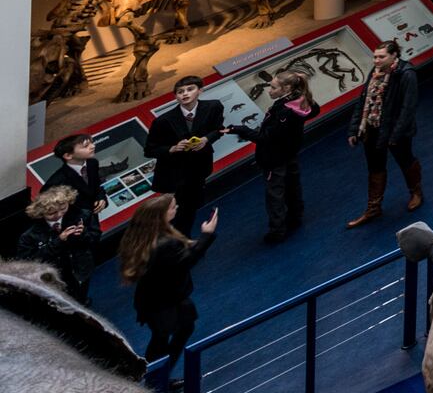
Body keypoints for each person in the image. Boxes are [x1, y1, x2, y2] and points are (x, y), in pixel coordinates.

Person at [121, 194, 216, 368]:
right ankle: (158, 378)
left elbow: (176, 257)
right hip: (162, 303)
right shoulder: (164, 242)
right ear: (161, 215)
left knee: (180, 329)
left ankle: (160, 375)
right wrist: (207, 235)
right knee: (162, 339)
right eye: (173, 207)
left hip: (158, 298)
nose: (176, 208)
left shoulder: (148, 236)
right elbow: (185, 261)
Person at [229, 70, 314, 242]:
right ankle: (296, 217)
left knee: (275, 194)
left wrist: (240, 129)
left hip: (274, 158)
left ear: (287, 88)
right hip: (290, 153)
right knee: (293, 187)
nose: (269, 91)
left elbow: (265, 138)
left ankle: (277, 231)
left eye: (274, 88)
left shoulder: (283, 112)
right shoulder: (302, 101)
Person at [345, 40, 421, 227]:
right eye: (375, 57)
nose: (376, 60)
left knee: (406, 161)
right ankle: (373, 208)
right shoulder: (375, 72)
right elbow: (363, 101)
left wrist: (395, 135)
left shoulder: (406, 74)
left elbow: (408, 108)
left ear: (394, 55)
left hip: (396, 130)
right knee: (375, 167)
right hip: (372, 128)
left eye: (381, 57)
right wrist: (354, 129)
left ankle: (416, 193)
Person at [146, 76, 224, 236]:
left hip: (199, 169)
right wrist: (172, 148)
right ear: (175, 96)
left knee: (191, 207)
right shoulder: (163, 121)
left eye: (190, 89)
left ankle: (182, 241)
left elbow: (218, 129)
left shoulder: (213, 106)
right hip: (174, 174)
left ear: (200, 90)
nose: (185, 94)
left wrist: (206, 140)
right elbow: (149, 150)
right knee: (178, 212)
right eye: (180, 92)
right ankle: (180, 243)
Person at [44, 134, 105, 298]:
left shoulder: (92, 163)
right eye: (85, 146)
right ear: (68, 155)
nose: (92, 146)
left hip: (90, 222)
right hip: (72, 228)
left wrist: (101, 197)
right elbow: (47, 206)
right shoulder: (57, 181)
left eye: (91, 143)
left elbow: (97, 186)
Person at [15, 185, 92, 302]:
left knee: (81, 296)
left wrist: (83, 234)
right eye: (52, 213)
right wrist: (58, 241)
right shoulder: (29, 236)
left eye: (63, 209)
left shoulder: (81, 215)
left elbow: (93, 239)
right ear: (41, 214)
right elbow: (29, 263)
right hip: (54, 279)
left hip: (80, 269)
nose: (59, 215)